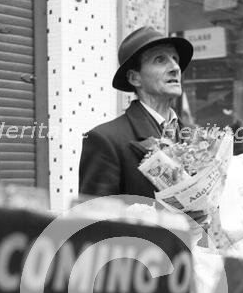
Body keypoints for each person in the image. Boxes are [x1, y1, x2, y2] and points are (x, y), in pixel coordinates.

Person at [79, 26, 194, 200]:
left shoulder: (193, 137)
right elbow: (93, 221)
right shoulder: (104, 139)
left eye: (175, 58)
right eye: (160, 59)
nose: (175, 68)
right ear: (134, 78)